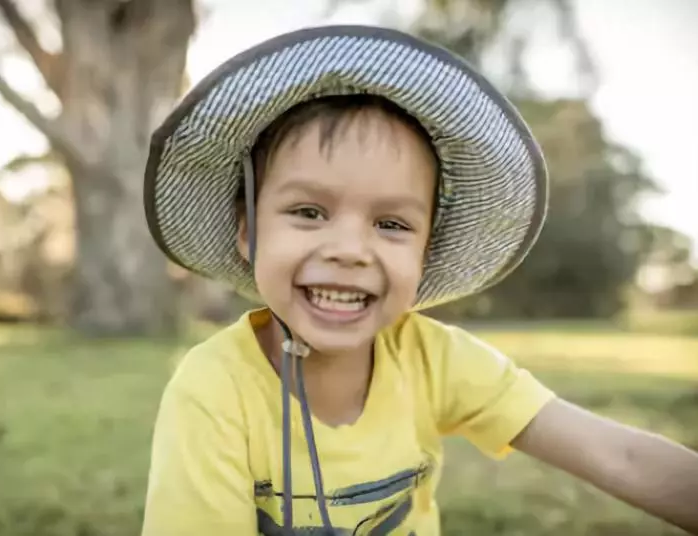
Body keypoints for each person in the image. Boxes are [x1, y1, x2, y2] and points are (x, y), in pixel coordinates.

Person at [139, 25, 698, 536]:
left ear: (426, 251)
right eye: (309, 212)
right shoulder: (213, 392)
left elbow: (618, 456)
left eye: (391, 224)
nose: (350, 251)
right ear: (247, 231)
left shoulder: (435, 360)